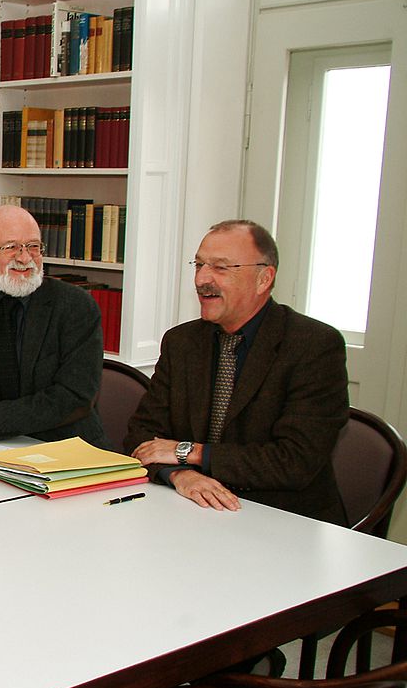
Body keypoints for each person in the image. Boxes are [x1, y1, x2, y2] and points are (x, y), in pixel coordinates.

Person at [126, 220, 348, 523]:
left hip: (283, 520)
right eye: (199, 265)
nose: (202, 279)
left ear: (263, 278)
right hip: (191, 510)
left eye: (220, 268)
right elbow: (141, 435)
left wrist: (189, 453)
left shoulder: (313, 346)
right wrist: (178, 474)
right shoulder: (182, 342)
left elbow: (296, 461)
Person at [0, 205, 105, 453]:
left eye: (33, 246)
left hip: (67, 450)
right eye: (11, 246)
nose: (25, 258)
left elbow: (74, 397)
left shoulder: (76, 306)